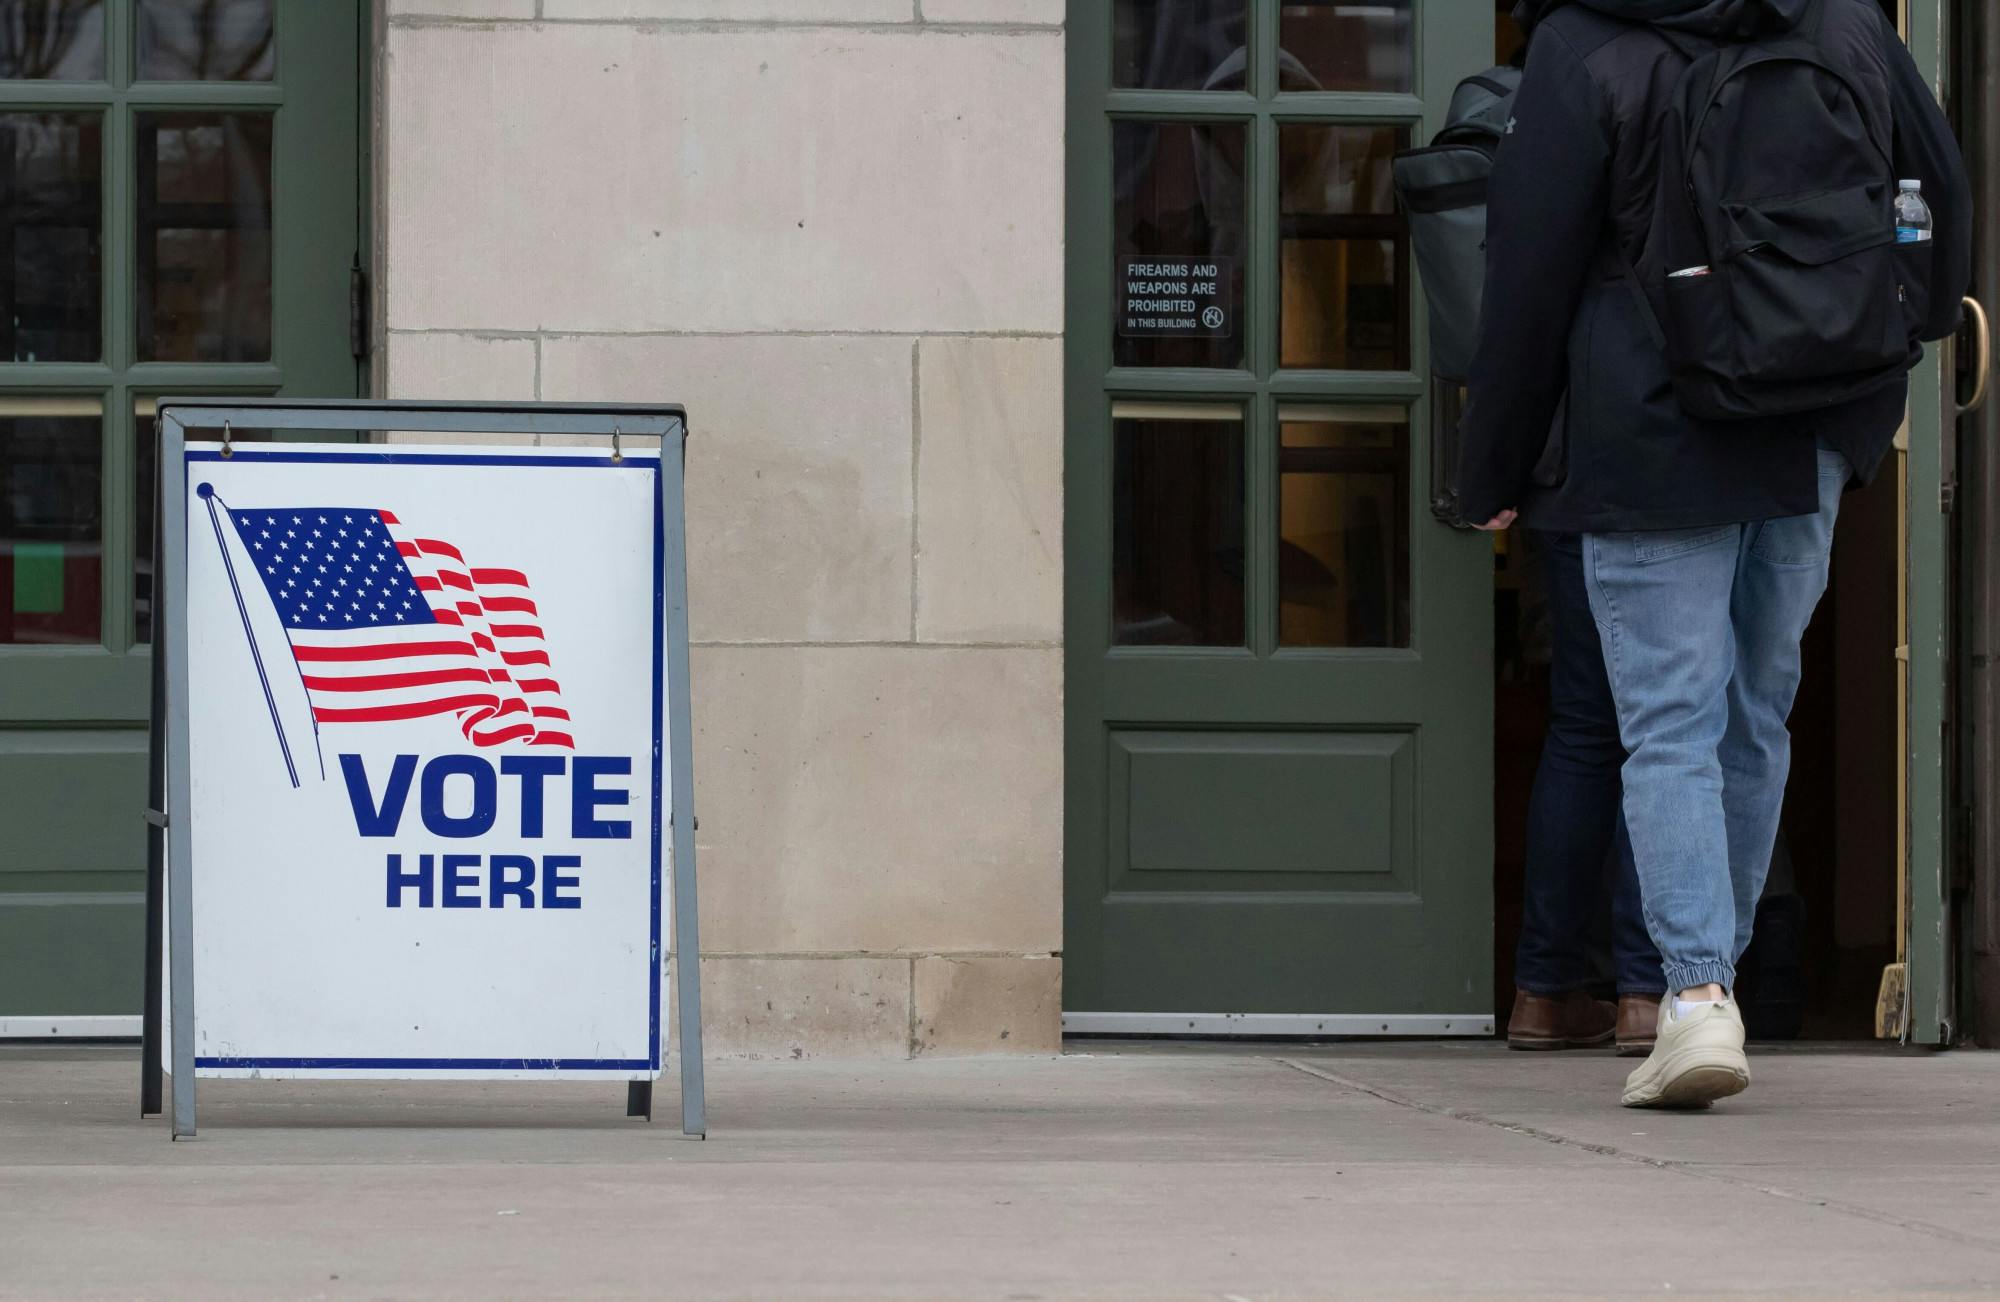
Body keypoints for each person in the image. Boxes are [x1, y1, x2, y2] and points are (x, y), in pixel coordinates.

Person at [1457, 0, 1971, 1107]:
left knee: (1667, 722)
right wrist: (1875, 367)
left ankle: (1691, 998)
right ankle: (1712, 982)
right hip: (1808, 424)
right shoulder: (1841, 26)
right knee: (1752, 711)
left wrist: (1490, 469)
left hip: (1643, 433)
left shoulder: (1583, 46)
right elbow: (1940, 200)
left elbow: (1526, 272)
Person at [1509, 528, 1667, 1055]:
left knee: (1582, 732)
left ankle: (1542, 994)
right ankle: (1644, 994)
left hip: (1574, 490)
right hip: (1676, 500)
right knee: (1663, 734)